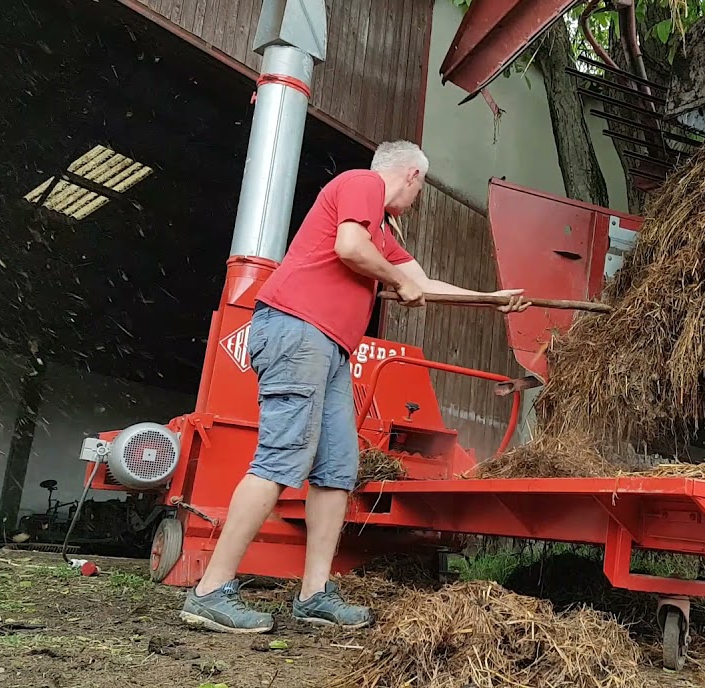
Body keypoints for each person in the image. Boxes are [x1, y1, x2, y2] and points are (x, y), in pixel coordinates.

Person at [179, 140, 530, 633]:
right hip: (297, 330)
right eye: (420, 189)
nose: (417, 197)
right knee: (281, 458)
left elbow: (420, 284)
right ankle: (211, 591)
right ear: (412, 176)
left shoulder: (382, 232)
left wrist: (490, 299)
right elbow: (349, 248)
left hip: (331, 350)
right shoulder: (360, 184)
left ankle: (315, 593)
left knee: (337, 470)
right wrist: (393, 278)